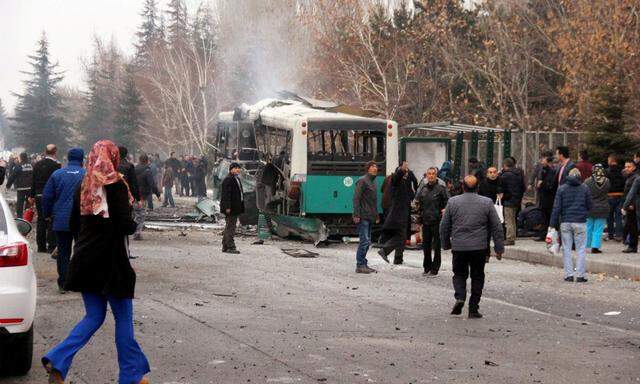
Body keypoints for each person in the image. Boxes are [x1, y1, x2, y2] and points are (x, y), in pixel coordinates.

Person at [42, 140, 150, 384]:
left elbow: (73, 223)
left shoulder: (84, 184)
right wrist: (133, 222)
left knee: (93, 316)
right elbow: (124, 224)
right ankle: (131, 375)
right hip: (111, 263)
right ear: (112, 158)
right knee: (123, 319)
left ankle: (58, 361)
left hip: (85, 260)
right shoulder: (117, 185)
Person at [440, 175, 504, 319]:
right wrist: (499, 249)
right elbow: (497, 227)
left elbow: (444, 225)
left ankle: (460, 296)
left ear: (462, 186)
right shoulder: (487, 202)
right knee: (477, 276)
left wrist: (445, 244)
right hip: (479, 247)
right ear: (478, 187)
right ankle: (473, 308)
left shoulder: (452, 202)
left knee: (459, 274)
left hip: (459, 247)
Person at [42, 148, 86, 294]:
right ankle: (80, 281)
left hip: (61, 219)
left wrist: (47, 214)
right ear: (82, 159)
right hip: (82, 220)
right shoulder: (87, 175)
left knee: (63, 252)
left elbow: (47, 196)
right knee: (81, 250)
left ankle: (64, 283)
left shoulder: (57, 174)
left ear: (67, 158)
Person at [550, 168, 592, 282]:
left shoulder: (562, 188)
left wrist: (552, 224)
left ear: (568, 176)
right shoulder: (585, 188)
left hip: (566, 221)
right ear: (579, 176)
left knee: (566, 248)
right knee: (581, 249)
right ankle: (580, 275)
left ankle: (568, 274)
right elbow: (590, 205)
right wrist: (584, 212)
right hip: (580, 222)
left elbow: (556, 207)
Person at [378, 161, 414, 265]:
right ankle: (385, 251)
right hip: (398, 214)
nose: (407, 174)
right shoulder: (396, 180)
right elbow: (396, 177)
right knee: (401, 236)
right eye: (405, 172)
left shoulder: (404, 182)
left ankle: (397, 258)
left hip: (401, 213)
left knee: (401, 236)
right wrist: (402, 170)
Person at [415, 167, 448, 276]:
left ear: (436, 175)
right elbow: (418, 203)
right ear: (426, 175)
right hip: (425, 221)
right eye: (429, 174)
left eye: (433, 174)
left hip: (437, 221)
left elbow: (447, 202)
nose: (431, 176)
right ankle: (427, 266)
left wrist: (444, 211)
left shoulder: (441, 189)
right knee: (426, 245)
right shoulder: (423, 188)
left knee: (437, 246)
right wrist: (419, 217)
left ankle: (435, 268)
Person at [29, 144, 61, 253]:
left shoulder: (37, 164)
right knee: (51, 219)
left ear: (45, 151)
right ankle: (51, 245)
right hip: (51, 195)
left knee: (41, 220)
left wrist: (31, 195)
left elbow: (33, 180)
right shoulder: (56, 166)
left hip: (38, 195)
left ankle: (41, 246)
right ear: (55, 152)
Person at [352, 161, 379, 274]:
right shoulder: (362, 181)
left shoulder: (373, 182)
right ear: (368, 168)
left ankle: (364, 263)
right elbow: (356, 198)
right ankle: (360, 265)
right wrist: (356, 214)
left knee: (367, 242)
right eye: (372, 166)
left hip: (370, 215)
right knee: (364, 241)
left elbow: (373, 201)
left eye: (376, 166)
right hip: (363, 215)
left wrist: (376, 215)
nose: (375, 168)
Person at [134, 154, 160, 240]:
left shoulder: (133, 169)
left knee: (135, 213)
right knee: (141, 215)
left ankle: (133, 231)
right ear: (147, 161)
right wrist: (158, 194)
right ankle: (137, 233)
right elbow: (152, 184)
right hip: (142, 196)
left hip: (133, 195)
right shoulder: (147, 171)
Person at [584, 164, 610, 254]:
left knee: (588, 227)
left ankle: (586, 246)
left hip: (590, 207)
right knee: (598, 228)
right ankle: (595, 247)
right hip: (602, 207)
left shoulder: (587, 181)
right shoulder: (607, 181)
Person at [220, 162, 244, 254]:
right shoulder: (228, 179)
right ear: (231, 169)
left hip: (235, 207)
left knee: (229, 226)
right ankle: (231, 247)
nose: (238, 169)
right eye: (236, 168)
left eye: (239, 168)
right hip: (230, 208)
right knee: (231, 227)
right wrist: (227, 207)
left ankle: (225, 246)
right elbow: (226, 195)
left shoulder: (236, 178)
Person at [499, 158, 524, 245]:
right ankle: (513, 236)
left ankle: (510, 238)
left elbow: (500, 184)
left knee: (508, 220)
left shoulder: (505, 175)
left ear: (505, 165)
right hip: (516, 199)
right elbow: (523, 187)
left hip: (508, 199)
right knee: (513, 219)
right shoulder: (519, 174)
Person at [535, 152, 558, 241]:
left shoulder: (551, 171)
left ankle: (547, 235)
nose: (541, 160)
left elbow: (550, 184)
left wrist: (542, 184)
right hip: (544, 197)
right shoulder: (543, 170)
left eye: (543, 159)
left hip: (548, 198)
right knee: (544, 217)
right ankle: (543, 234)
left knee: (547, 217)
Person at [6, 152, 33, 218]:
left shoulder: (19, 165)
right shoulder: (31, 165)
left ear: (21, 158)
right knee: (28, 202)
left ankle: (20, 217)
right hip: (30, 187)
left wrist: (8, 185)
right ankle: (27, 217)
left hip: (21, 187)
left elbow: (13, 176)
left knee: (20, 204)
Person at [606, 154, 625, 241]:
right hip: (620, 195)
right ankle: (619, 235)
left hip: (609, 196)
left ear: (611, 161)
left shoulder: (607, 171)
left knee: (609, 217)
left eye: (608, 160)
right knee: (618, 217)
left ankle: (610, 235)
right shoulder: (622, 171)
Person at [622, 160, 640, 253]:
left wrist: (630, 204)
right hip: (631, 204)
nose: (626, 169)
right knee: (630, 225)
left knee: (632, 226)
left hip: (633, 205)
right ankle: (631, 245)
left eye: (629, 167)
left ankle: (632, 246)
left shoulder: (635, 178)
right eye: (625, 167)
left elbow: (633, 193)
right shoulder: (630, 177)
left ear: (634, 167)